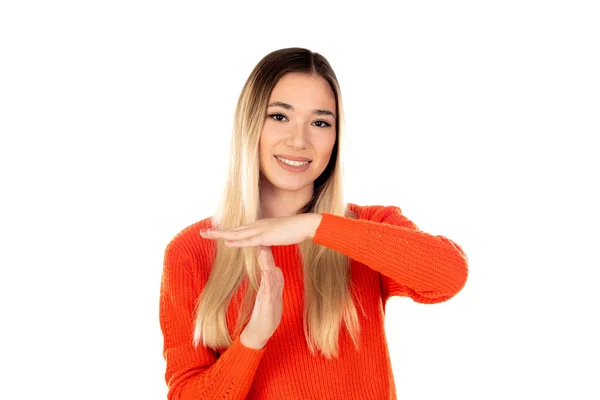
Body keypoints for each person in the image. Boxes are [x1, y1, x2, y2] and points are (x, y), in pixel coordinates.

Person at [159, 47, 469, 400]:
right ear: (249, 124)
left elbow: (448, 276)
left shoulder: (367, 226)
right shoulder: (192, 251)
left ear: (335, 139)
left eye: (320, 122)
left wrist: (316, 227)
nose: (299, 140)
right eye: (279, 116)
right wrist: (253, 339)